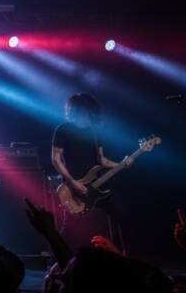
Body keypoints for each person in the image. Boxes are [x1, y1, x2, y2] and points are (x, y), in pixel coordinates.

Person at [51, 93, 131, 249]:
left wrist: (122, 164)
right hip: (74, 186)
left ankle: (121, 257)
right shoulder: (63, 129)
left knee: (120, 216)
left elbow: (102, 160)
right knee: (70, 229)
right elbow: (56, 159)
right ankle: (59, 263)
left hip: (97, 185)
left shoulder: (95, 132)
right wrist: (73, 183)